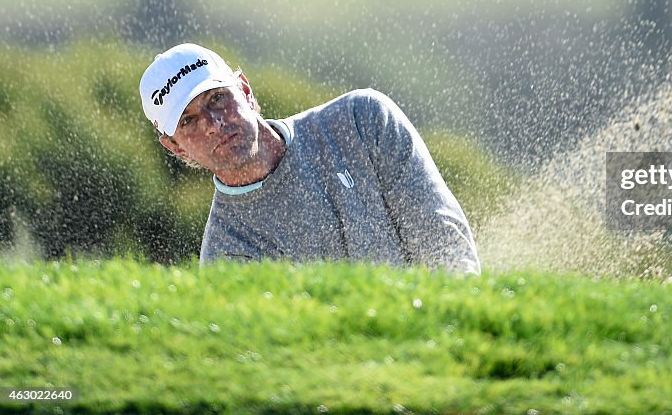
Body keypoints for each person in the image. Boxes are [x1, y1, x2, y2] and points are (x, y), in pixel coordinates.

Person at [139, 42, 480, 274]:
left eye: (216, 99)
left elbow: (445, 243)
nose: (214, 124)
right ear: (176, 147)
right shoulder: (227, 255)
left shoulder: (363, 120)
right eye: (189, 121)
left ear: (243, 89)